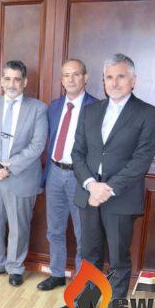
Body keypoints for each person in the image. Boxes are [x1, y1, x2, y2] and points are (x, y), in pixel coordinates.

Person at [71, 53, 155, 308]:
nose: (114, 82)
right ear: (103, 81)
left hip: (120, 198)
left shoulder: (147, 113)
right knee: (89, 254)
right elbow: (77, 153)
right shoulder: (90, 111)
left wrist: (106, 189)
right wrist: (90, 185)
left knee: (119, 259)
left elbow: (141, 160)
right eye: (109, 77)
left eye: (121, 76)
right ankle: (89, 302)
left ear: (133, 80)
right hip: (89, 194)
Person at [0, 60, 47, 287]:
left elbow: (37, 144)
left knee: (19, 227)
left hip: (21, 178)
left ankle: (15, 268)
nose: (12, 84)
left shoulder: (38, 108)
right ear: (1, 81)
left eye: (17, 79)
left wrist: (9, 167)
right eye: (7, 79)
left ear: (24, 82)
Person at [37, 59, 98, 291]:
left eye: (76, 74)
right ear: (61, 80)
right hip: (54, 172)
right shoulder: (54, 106)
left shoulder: (97, 107)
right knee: (54, 229)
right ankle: (56, 274)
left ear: (85, 77)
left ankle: (82, 282)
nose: (70, 79)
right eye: (66, 75)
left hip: (81, 178)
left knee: (83, 234)